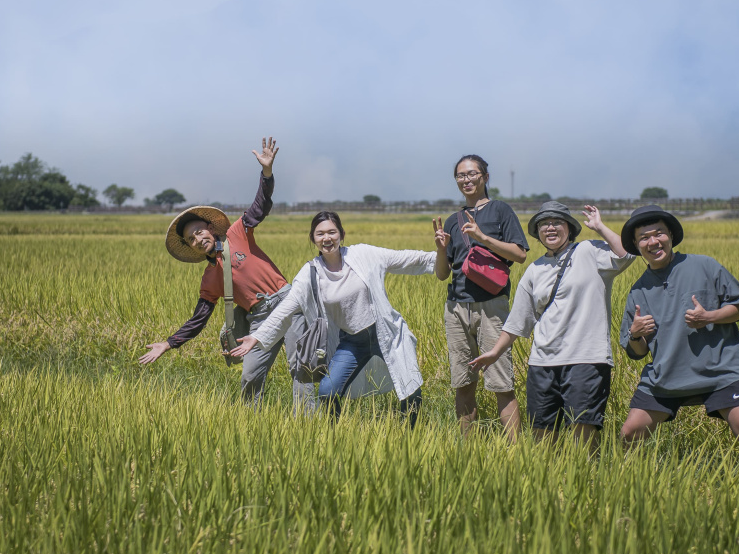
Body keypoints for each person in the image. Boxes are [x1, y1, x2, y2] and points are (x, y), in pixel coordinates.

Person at [138, 138, 315, 413]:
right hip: (258, 318)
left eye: (199, 232)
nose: (197, 239)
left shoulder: (237, 233)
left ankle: (309, 425)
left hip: (287, 303)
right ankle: (250, 427)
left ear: (210, 228)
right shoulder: (210, 278)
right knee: (250, 376)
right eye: (191, 239)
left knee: (299, 368)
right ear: (190, 247)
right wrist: (169, 343)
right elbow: (199, 318)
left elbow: (260, 207)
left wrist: (266, 173)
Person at [231, 211, 434, 426]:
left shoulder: (363, 254)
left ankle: (411, 430)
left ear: (341, 234)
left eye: (331, 232)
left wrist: (444, 255)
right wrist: (257, 337)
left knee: (409, 386)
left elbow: (406, 258)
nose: (326, 238)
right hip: (353, 342)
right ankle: (332, 436)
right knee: (327, 392)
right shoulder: (311, 272)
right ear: (313, 239)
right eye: (320, 234)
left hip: (384, 333)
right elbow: (287, 307)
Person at [470, 202, 635, 450]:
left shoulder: (590, 251)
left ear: (569, 227)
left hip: (586, 359)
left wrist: (600, 227)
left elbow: (627, 254)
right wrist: (495, 352)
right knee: (542, 435)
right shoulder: (534, 270)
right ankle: (548, 484)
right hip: (543, 362)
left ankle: (586, 481)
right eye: (544, 224)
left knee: (583, 430)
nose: (550, 227)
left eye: (557, 222)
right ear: (538, 233)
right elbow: (517, 321)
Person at [617, 205, 739, 461]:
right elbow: (637, 353)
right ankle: (627, 487)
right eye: (644, 237)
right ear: (636, 244)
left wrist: (710, 317)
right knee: (630, 433)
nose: (653, 242)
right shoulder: (638, 291)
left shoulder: (704, 265)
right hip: (665, 377)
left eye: (659, 234)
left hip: (720, 372)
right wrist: (635, 334)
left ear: (671, 236)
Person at [432, 154, 529, 442]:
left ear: (485, 177)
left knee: (501, 382)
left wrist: (483, 237)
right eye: (461, 175)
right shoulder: (453, 220)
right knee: (463, 382)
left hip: (493, 306)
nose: (466, 179)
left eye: (472, 174)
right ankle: (468, 449)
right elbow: (441, 274)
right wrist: (440, 248)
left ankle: (515, 451)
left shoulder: (500, 210)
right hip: (457, 307)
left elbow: (520, 255)